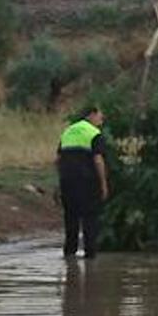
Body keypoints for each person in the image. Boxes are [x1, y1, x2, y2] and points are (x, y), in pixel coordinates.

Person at [56, 106, 110, 258]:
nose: (102, 119)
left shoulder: (68, 131)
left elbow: (58, 159)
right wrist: (104, 184)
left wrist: (60, 180)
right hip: (88, 183)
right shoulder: (94, 133)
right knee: (90, 219)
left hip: (67, 182)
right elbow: (98, 160)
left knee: (70, 220)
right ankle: (90, 256)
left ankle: (69, 255)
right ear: (91, 115)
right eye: (100, 116)